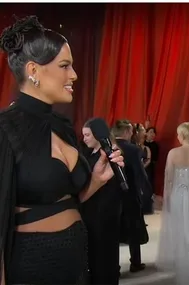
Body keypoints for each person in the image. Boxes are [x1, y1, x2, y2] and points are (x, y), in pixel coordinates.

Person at [0, 15, 123, 284]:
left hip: (76, 259)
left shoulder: (64, 126)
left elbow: (68, 200)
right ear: (33, 70)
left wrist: (96, 180)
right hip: (31, 263)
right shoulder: (5, 129)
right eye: (65, 66)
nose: (74, 75)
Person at [156, 122, 189, 285]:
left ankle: (183, 268)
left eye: (179, 134)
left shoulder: (173, 153)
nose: (177, 137)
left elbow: (169, 179)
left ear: (184, 135)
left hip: (178, 193)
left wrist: (168, 198)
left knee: (181, 230)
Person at [81, 118, 122, 285]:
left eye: (88, 135)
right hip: (91, 210)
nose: (84, 138)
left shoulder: (113, 154)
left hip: (104, 212)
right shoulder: (87, 153)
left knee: (105, 255)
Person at [111, 119, 148, 273]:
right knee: (133, 228)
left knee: (114, 231)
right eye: (131, 131)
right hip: (131, 194)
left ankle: (114, 266)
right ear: (126, 132)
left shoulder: (109, 147)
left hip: (112, 195)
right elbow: (140, 174)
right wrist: (147, 192)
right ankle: (135, 263)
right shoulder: (133, 149)